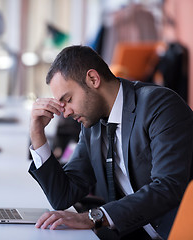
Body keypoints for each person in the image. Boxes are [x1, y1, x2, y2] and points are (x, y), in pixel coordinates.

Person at [28, 45, 193, 240]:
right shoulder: (93, 126)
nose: (66, 112)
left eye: (69, 99)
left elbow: (168, 186)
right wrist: (37, 134)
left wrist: (94, 217)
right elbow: (62, 195)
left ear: (93, 79)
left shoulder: (160, 106)